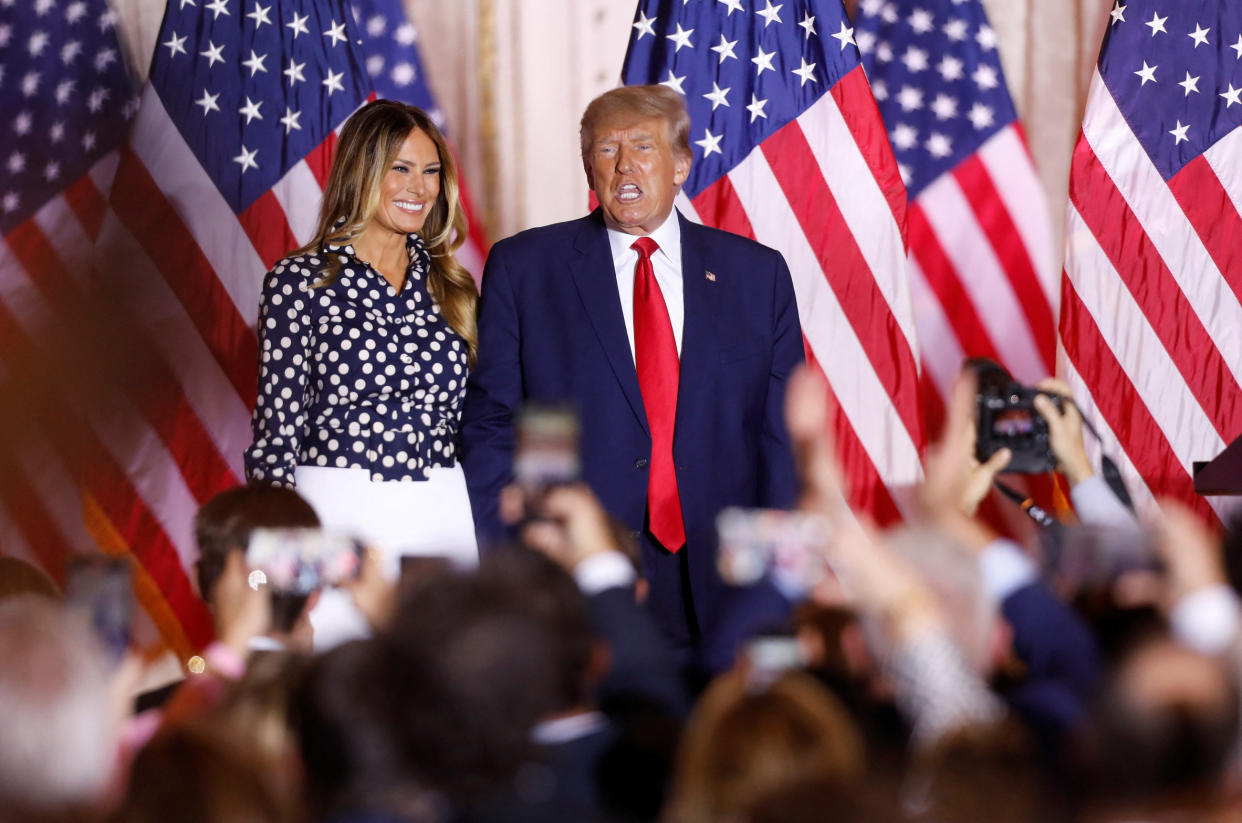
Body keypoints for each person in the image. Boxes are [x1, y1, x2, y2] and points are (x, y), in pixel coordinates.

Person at [460, 84, 803, 660]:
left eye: (642, 146)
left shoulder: (756, 276)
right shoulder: (528, 270)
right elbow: (505, 424)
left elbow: (781, 442)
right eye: (605, 150)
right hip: (585, 569)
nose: (624, 165)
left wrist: (782, 586)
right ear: (587, 168)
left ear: (680, 166)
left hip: (727, 574)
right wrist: (514, 557)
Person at [243, 100, 479, 644]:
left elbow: (474, 425)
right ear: (363, 171)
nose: (419, 188)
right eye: (401, 168)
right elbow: (276, 438)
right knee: (321, 683)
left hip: (439, 509)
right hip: (333, 510)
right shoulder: (299, 280)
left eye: (431, 171)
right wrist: (276, 586)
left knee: (443, 688)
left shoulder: (455, 289)